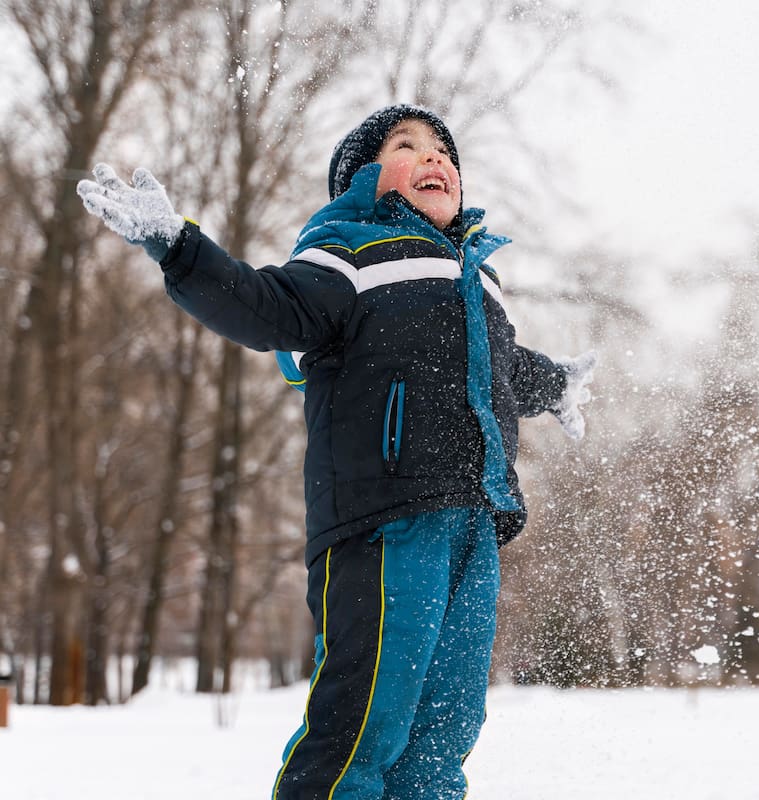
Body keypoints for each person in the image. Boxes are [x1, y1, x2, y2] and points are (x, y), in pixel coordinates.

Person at [77, 104, 595, 800]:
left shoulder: (479, 281)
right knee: (362, 729)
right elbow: (264, 306)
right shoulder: (348, 251)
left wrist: (557, 384)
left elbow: (502, 368)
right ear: (363, 177)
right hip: (384, 523)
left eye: (445, 151)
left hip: (476, 525)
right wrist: (180, 247)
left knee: (442, 737)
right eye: (407, 147)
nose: (435, 158)